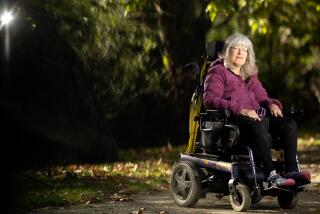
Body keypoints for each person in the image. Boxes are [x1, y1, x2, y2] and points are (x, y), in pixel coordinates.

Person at [203, 32, 311, 187]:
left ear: (248, 54)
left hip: (258, 118)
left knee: (289, 124)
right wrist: (241, 110)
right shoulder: (218, 72)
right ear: (227, 51)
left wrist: (272, 104)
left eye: (244, 49)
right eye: (236, 48)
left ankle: (291, 171)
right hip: (233, 122)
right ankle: (271, 175)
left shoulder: (250, 74)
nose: (240, 52)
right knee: (257, 125)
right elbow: (210, 100)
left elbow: (262, 97)